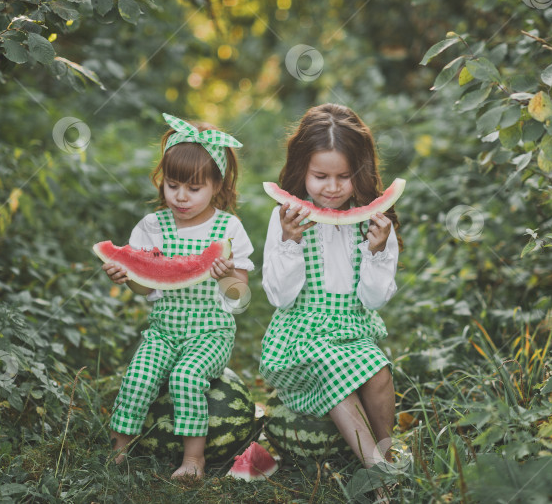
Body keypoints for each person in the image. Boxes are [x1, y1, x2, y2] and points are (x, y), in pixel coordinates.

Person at [102, 113, 254, 479]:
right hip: (164, 331)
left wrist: (225, 277)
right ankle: (118, 451)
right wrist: (128, 276)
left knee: (186, 378)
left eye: (194, 188)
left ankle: (193, 461)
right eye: (173, 185)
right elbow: (146, 286)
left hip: (211, 333)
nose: (181, 197)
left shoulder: (229, 228)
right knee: (138, 376)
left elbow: (240, 296)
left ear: (216, 186)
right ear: (163, 182)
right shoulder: (152, 226)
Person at [260, 104, 403, 481]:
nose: (333, 187)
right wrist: (290, 243)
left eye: (345, 176)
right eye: (320, 176)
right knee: (335, 370)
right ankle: (379, 473)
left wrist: (376, 252)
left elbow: (374, 300)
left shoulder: (374, 222)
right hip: (300, 335)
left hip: (353, 330)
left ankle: (388, 448)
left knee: (380, 374)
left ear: (362, 171)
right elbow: (279, 297)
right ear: (301, 171)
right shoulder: (285, 220)